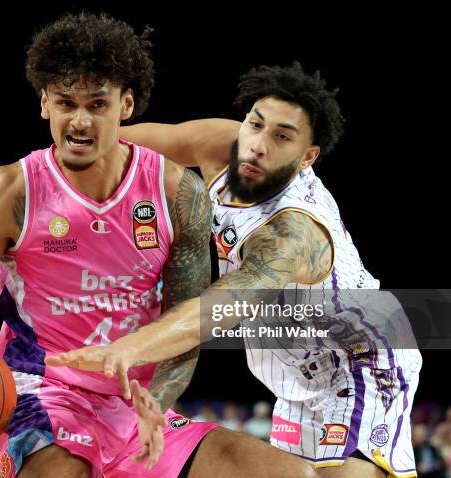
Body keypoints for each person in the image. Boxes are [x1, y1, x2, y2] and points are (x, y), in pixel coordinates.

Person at [0, 14, 315, 478]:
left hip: (133, 405)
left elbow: (185, 325)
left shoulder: (175, 194)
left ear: (125, 105)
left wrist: (155, 407)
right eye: (65, 102)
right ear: (45, 103)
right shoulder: (10, 193)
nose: (79, 120)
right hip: (40, 395)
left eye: (97, 104)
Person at [47, 62, 422, 477]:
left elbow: (214, 311)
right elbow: (112, 144)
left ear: (307, 157)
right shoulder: (226, 146)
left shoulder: (293, 234)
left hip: (359, 359)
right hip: (295, 371)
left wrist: (126, 349)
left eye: (282, 137)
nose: (258, 145)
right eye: (255, 125)